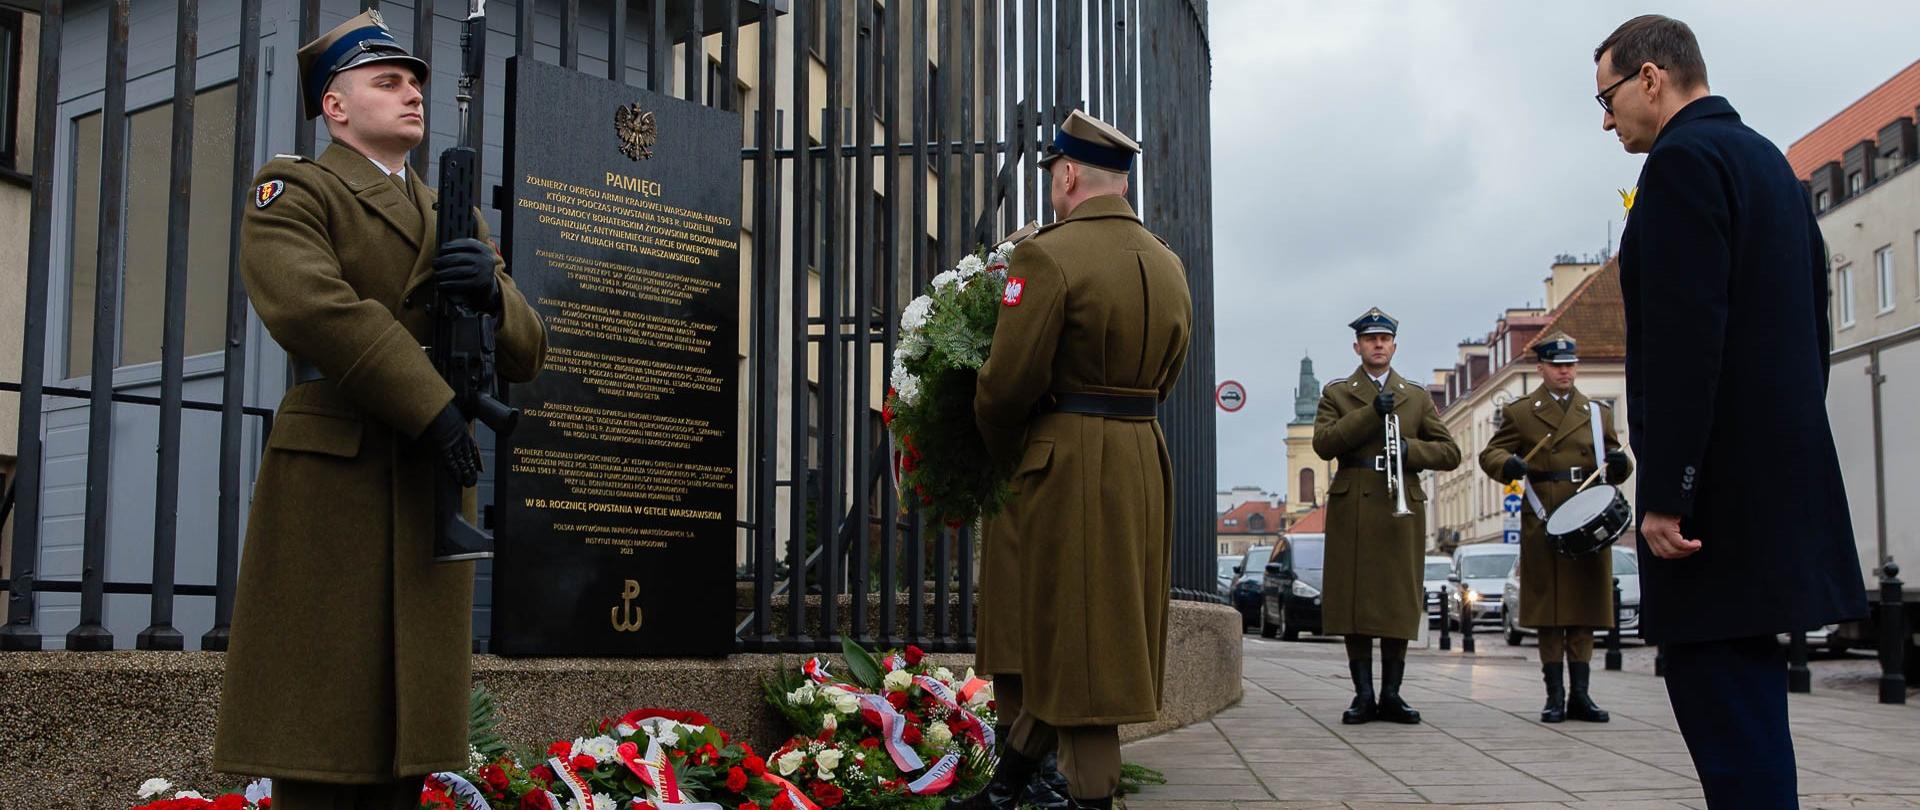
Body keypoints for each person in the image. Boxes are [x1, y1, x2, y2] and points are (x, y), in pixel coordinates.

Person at [211, 11, 548, 808]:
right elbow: (315, 308)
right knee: (322, 740)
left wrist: (490, 292)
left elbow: (528, 352)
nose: (410, 95)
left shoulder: (449, 210)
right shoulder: (295, 187)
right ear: (335, 106)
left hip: (426, 486)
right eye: (387, 82)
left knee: (407, 751)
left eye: (415, 83)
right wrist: (433, 407)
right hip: (343, 477)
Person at [1595, 14, 1866, 807]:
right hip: (1773, 485)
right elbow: (1815, 330)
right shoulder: (1768, 165)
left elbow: (1685, 344)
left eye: (1608, 97)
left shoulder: (1682, 165)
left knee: (1723, 707)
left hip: (1709, 505)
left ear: (1651, 78)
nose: (1605, 119)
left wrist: (1669, 494)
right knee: (1750, 706)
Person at [968, 109, 1192, 810]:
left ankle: (1078, 792)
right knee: (1103, 629)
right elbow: (1169, 375)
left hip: (1063, 461)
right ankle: (1011, 785)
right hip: (1142, 457)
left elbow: (1005, 388)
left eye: (1054, 179)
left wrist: (1013, 458)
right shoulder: (1168, 260)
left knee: (1069, 637)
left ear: (1067, 175)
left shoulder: (1048, 255)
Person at [1312, 308, 1460, 725]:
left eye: (1384, 339)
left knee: (1398, 599)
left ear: (1394, 345)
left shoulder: (1415, 395)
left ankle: (1392, 694)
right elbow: (1325, 444)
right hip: (1354, 504)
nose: (1378, 345)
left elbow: (1449, 452)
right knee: (1354, 601)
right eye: (1370, 339)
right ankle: (1363, 695)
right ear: (1357, 346)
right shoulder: (1338, 393)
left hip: (1401, 507)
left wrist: (1411, 450)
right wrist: (1369, 413)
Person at [1476, 332, 1631, 723]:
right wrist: (1506, 466)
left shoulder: (1596, 413)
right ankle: (1554, 696)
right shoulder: (1522, 412)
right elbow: (1491, 452)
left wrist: (1620, 467)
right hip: (1543, 514)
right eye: (1558, 365)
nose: (1566, 372)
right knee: (1550, 613)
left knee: (1582, 611)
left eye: (1570, 365)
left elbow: (1612, 455)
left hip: (1585, 514)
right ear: (1542, 368)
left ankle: (1581, 695)